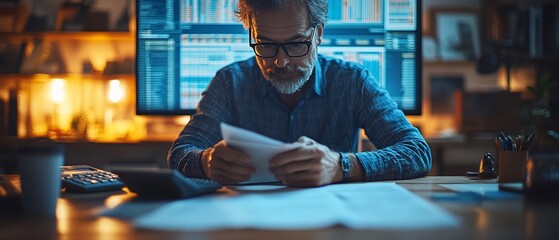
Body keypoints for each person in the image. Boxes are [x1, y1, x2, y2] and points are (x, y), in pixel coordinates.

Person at [168, 0, 431, 187]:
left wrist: (341, 166)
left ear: (318, 34)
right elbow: (180, 152)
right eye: (265, 44)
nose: (280, 62)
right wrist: (206, 161)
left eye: (295, 44)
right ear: (252, 34)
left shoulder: (353, 83)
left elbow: (417, 151)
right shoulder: (229, 82)